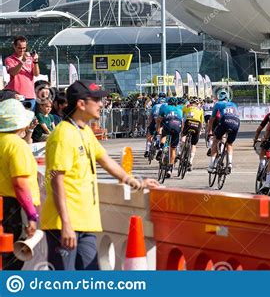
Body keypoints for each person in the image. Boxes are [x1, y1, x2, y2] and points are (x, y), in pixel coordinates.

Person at [40, 80, 159, 270]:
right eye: (96, 100)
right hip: (64, 223)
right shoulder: (62, 135)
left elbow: (106, 161)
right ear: (81, 104)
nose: (101, 104)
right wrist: (66, 224)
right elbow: (57, 181)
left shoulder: (85, 131)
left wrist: (135, 182)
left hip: (86, 221)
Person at [0, 99, 40, 270]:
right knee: (12, 259)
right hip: (12, 208)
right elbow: (20, 184)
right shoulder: (16, 146)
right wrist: (32, 215)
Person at [207, 91, 240, 174]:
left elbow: (212, 119)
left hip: (225, 119)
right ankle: (229, 164)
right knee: (229, 143)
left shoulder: (218, 104)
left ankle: (212, 166)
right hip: (236, 121)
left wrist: (210, 131)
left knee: (215, 141)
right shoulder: (234, 104)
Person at [4, 36, 40, 110]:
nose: (22, 50)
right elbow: (13, 73)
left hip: (30, 95)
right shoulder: (9, 59)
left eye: (24, 48)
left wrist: (35, 61)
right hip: (16, 95)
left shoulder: (30, 58)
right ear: (14, 46)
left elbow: (36, 74)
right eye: (19, 48)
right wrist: (23, 61)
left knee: (29, 119)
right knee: (16, 119)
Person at [156, 96, 183, 178]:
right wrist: (180, 132)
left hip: (168, 124)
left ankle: (161, 148)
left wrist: (158, 129)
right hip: (177, 126)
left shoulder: (164, 107)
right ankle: (170, 169)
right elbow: (182, 121)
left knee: (164, 134)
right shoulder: (179, 109)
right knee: (173, 149)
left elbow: (159, 119)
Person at [181, 96, 204, 171]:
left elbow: (182, 114)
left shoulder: (186, 106)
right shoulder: (200, 109)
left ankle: (181, 147)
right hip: (197, 124)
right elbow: (202, 121)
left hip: (188, 122)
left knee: (183, 134)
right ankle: (190, 161)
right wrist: (200, 130)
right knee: (193, 144)